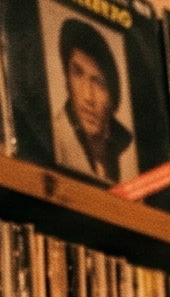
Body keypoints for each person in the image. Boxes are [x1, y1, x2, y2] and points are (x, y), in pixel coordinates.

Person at [50, 18, 135, 184]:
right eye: (78, 74)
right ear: (67, 79)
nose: (88, 96)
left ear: (112, 99)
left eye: (99, 83)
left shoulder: (129, 157)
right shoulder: (53, 141)